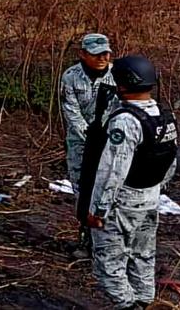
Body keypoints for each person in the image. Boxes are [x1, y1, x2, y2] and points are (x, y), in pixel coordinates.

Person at [85, 55, 178, 310]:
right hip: (151, 198)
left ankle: (128, 306)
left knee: (108, 263)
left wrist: (97, 211)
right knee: (143, 256)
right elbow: (171, 162)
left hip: (123, 202)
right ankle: (144, 301)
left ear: (123, 84)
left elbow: (112, 170)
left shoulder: (125, 120)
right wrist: (156, 188)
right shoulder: (164, 116)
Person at [61, 33, 116, 254]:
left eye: (106, 53)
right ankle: (85, 234)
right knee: (82, 188)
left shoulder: (117, 75)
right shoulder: (71, 77)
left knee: (107, 188)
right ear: (83, 55)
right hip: (80, 143)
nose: (102, 57)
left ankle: (106, 239)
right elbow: (71, 113)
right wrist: (90, 139)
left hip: (111, 143)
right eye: (96, 54)